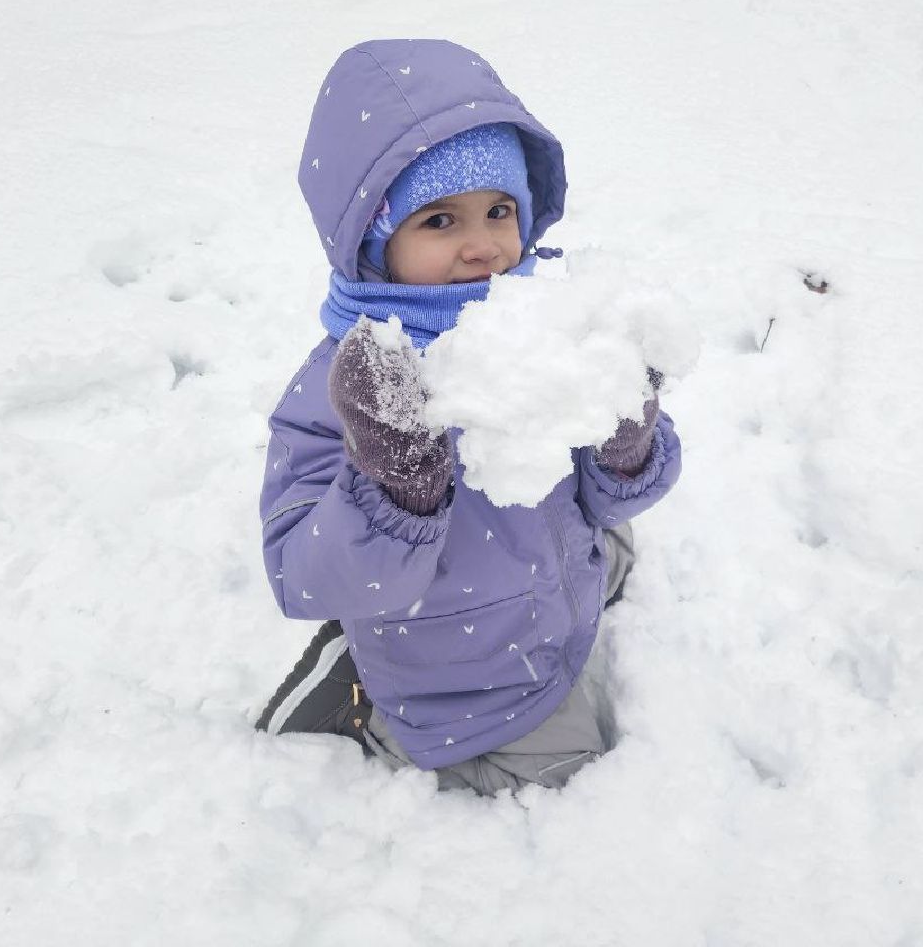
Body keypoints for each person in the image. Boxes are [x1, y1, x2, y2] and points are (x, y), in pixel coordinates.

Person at [255, 39, 682, 795]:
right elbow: (298, 575)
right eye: (440, 221)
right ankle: (361, 698)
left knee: (619, 545)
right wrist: (393, 487)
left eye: (498, 210)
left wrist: (625, 438)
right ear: (373, 242)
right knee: (566, 784)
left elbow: (611, 497)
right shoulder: (352, 384)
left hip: (560, 594)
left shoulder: (551, 319)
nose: (484, 245)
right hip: (468, 682)